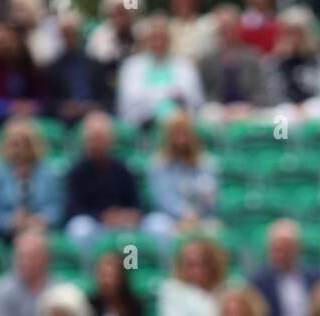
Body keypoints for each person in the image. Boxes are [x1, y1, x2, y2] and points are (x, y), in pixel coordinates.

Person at [63, 110, 143, 256]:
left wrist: (126, 215)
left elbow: (136, 205)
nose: (96, 144)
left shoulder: (122, 169)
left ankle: (131, 270)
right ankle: (87, 273)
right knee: (80, 228)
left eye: (101, 139)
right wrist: (102, 216)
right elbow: (72, 211)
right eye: (93, 139)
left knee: (130, 236)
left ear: (111, 140)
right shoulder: (77, 171)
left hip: (120, 224)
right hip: (94, 225)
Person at [116, 14, 203, 128]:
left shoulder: (185, 64)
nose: (158, 43)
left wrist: (156, 96)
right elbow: (130, 98)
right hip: (141, 122)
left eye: (162, 38)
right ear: (146, 41)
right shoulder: (132, 66)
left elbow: (194, 98)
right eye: (154, 38)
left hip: (180, 121)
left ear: (170, 39)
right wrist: (168, 95)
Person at [0, 116, 64, 239]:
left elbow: (56, 208)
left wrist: (40, 220)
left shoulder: (48, 172)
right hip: (7, 235)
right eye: (15, 144)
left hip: (42, 233)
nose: (20, 149)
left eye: (25, 143)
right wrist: (10, 221)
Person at [145, 110, 218, 241]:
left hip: (201, 218)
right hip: (171, 219)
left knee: (217, 229)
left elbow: (210, 197)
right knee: (154, 224)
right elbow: (163, 198)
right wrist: (184, 216)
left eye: (184, 133)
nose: (181, 139)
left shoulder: (207, 163)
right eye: (175, 134)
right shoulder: (158, 164)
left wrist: (195, 216)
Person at [197, 6, 275, 115]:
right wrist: (225, 110)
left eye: (229, 26)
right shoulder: (208, 59)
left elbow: (261, 88)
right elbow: (204, 93)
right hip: (219, 110)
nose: (226, 31)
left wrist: (250, 106)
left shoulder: (252, 55)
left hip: (250, 107)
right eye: (222, 27)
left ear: (237, 27)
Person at [251, 219, 320, 316]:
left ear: (298, 248)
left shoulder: (316, 278)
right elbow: (256, 315)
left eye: (286, 248)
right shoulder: (259, 281)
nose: (281, 253)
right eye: (277, 248)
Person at [0, 230, 61, 316]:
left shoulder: (60, 289)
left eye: (33, 257)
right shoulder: (3, 289)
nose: (26, 262)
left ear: (47, 258)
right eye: (21, 257)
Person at [46, 9, 106, 126]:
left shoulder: (95, 64)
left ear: (80, 33)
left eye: (73, 33)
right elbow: (49, 100)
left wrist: (93, 107)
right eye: (65, 34)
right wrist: (63, 107)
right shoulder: (54, 67)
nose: (69, 38)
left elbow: (105, 96)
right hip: (63, 121)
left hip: (94, 119)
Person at [89, 251, 149, 316]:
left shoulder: (135, 305)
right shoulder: (90, 305)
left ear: (121, 277)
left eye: (111, 276)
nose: (107, 282)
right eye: (103, 276)